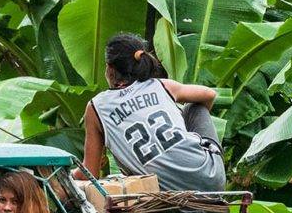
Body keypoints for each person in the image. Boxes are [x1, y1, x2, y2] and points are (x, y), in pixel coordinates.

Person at [74, 32, 225, 192]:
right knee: (194, 107)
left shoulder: (96, 107)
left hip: (168, 191)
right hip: (213, 178)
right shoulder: (162, 86)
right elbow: (210, 94)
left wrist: (67, 175)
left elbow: (89, 172)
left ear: (110, 69)